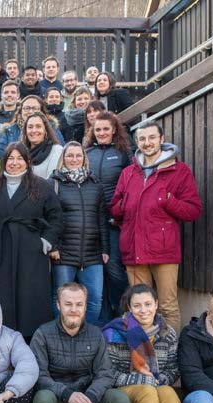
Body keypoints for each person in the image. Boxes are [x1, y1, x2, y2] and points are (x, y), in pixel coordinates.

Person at [109, 122, 202, 333]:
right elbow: (114, 208)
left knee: (167, 306)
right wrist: (124, 205)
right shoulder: (128, 173)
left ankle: (170, 355)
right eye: (142, 139)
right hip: (133, 249)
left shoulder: (179, 170)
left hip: (164, 250)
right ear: (136, 142)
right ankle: (141, 355)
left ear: (161, 139)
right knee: (138, 307)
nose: (147, 143)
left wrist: (168, 200)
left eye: (151, 137)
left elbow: (193, 210)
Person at [0, 142, 63, 340]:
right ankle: (0, 342)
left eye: (19, 158)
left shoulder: (41, 186)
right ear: (4, 161)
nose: (15, 163)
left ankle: (33, 345)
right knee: (1, 298)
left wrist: (45, 242)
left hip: (31, 252)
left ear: (27, 162)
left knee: (31, 300)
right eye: (10, 158)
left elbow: (55, 217)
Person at [49, 142, 108, 325]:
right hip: (64, 253)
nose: (74, 159)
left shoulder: (95, 184)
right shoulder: (54, 183)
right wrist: (54, 246)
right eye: (70, 156)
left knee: (94, 300)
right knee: (60, 300)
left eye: (78, 156)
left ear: (84, 159)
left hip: (92, 254)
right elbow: (49, 218)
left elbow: (102, 219)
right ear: (63, 159)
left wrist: (105, 249)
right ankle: (62, 336)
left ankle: (85, 335)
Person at [86, 111, 132, 320]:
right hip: (90, 221)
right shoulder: (86, 153)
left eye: (106, 129)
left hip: (114, 221)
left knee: (114, 269)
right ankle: (103, 322)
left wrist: (120, 212)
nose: (102, 132)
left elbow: (131, 185)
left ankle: (121, 313)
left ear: (114, 130)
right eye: (98, 129)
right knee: (96, 272)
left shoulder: (123, 153)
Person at [0, 95, 65, 159]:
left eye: (35, 108)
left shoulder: (52, 129)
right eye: (27, 108)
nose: (31, 111)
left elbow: (60, 153)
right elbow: (0, 154)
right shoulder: (10, 131)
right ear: (21, 111)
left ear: (42, 111)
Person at [21, 113, 63, 180]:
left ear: (45, 130)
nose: (34, 130)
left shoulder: (56, 150)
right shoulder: (20, 151)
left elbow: (52, 180)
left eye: (38, 126)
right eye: (30, 127)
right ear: (25, 131)